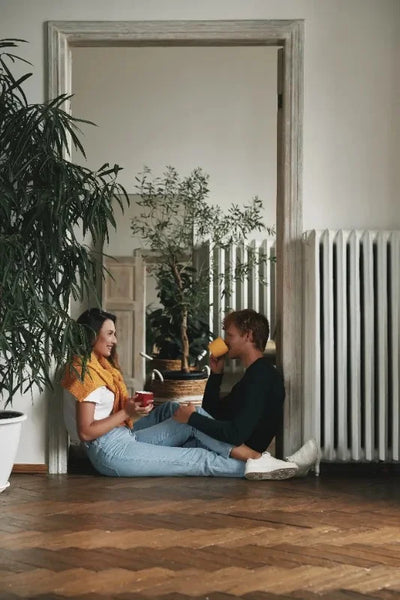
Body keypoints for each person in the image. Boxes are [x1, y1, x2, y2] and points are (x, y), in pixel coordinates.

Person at [172, 309, 319, 479]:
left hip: (235, 455)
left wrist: (192, 418)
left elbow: (236, 434)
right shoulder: (253, 375)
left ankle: (134, 440)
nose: (226, 342)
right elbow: (212, 413)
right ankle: (134, 440)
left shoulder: (261, 375)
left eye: (230, 335)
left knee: (178, 414)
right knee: (173, 410)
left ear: (248, 335)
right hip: (225, 448)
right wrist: (216, 374)